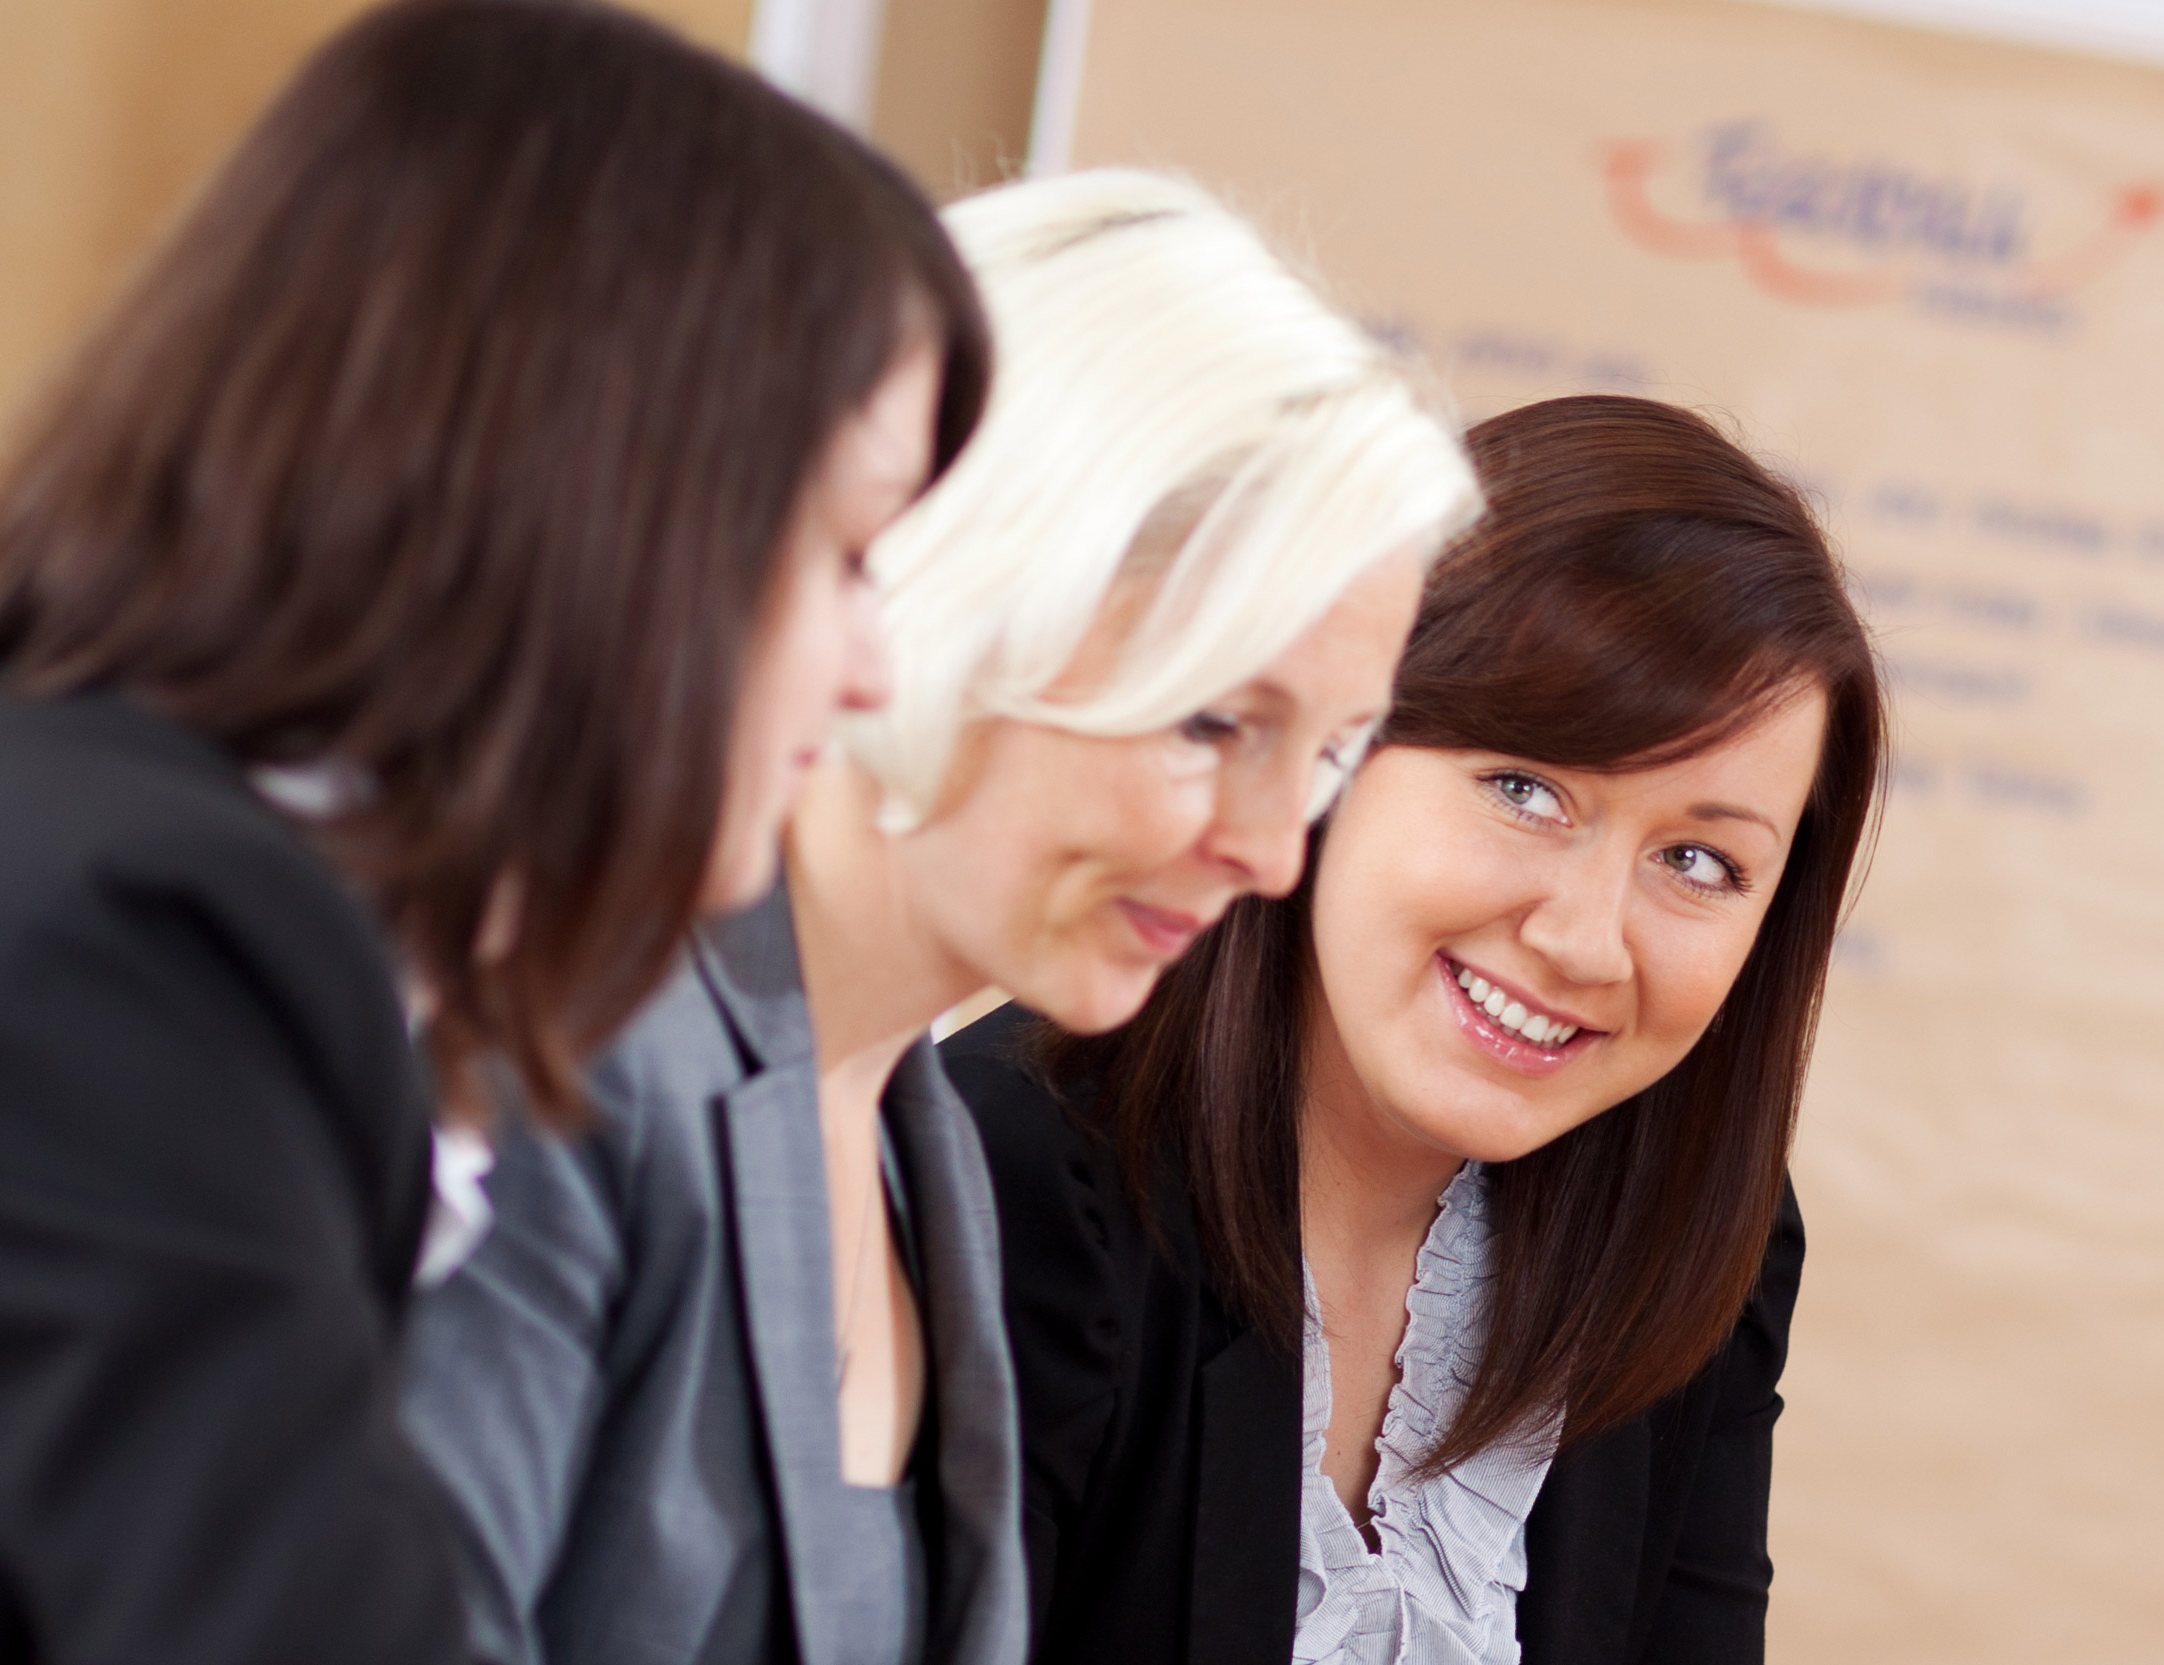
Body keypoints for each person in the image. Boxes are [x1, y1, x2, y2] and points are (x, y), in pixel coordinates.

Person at [0, 4, 988, 1663]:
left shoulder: (130, 878)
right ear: (600, 509)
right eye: (839, 555)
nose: (877, 660)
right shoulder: (135, 953)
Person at [397, 167, 1475, 1665]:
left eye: (1332, 754)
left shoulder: (921, 1143)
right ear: (969, 582)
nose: (1271, 856)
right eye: (1217, 722)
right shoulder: (558, 1058)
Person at [947, 393, 1883, 1665]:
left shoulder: (1695, 1222)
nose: (1583, 940)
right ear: (1339, 750)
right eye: (1524, 789)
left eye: (1701, 862)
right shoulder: (1002, 1175)